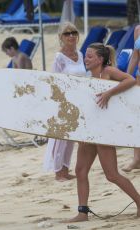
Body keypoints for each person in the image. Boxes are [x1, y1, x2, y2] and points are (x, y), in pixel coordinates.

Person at [67, 43, 140, 222]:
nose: (86, 59)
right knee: (80, 170)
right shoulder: (87, 77)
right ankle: (82, 212)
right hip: (89, 130)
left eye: (90, 56)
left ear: (100, 59)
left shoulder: (108, 71)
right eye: (86, 55)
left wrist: (109, 93)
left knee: (112, 175)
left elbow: (130, 79)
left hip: (105, 131)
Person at [43, 21, 86, 181]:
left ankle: (66, 169)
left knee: (71, 137)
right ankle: (58, 171)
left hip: (78, 101)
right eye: (67, 33)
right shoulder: (59, 57)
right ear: (61, 37)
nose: (71, 36)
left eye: (74, 32)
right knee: (60, 138)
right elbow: (54, 81)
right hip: (64, 102)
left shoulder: (81, 54)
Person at [122, 25, 140, 172]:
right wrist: (126, 77)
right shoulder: (138, 30)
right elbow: (135, 55)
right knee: (137, 118)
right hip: (139, 78)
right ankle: (137, 158)